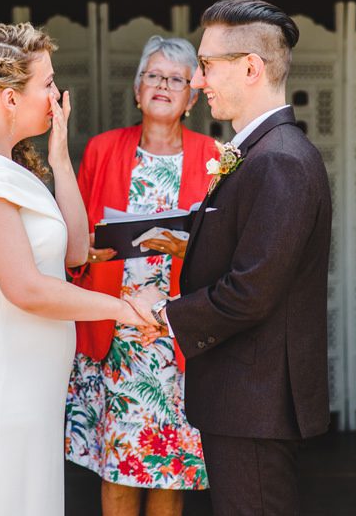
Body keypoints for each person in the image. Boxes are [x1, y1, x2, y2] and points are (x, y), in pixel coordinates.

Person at [0, 22, 160, 515]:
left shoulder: (8, 166)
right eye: (47, 83)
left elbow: (74, 253)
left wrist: (60, 155)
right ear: (9, 98)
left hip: (30, 398)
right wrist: (125, 309)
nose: (57, 94)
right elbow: (26, 288)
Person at [126, 0, 332, 516]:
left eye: (207, 64)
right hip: (244, 396)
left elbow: (250, 291)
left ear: (251, 67)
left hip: (255, 398)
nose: (196, 80)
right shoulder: (260, 151)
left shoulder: (280, 159)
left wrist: (164, 315)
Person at [64, 35, 220, 515]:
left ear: (193, 98)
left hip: (177, 339)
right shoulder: (103, 149)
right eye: (153, 75)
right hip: (118, 332)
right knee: (117, 470)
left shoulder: (214, 156)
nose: (163, 86)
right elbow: (76, 236)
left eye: (176, 79)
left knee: (170, 472)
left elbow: (225, 249)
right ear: (137, 91)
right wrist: (83, 248)